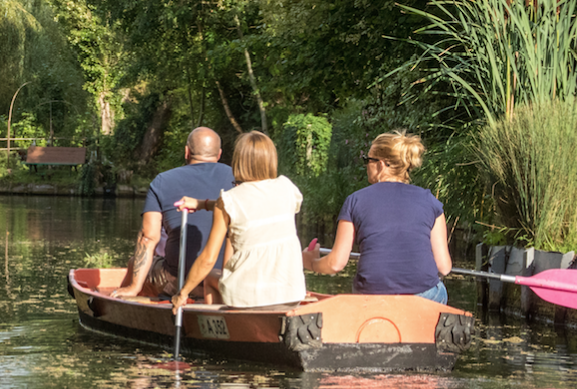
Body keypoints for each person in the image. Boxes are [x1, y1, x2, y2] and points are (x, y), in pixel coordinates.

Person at [301, 131, 451, 302]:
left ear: (380, 164)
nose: (366, 165)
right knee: (438, 290)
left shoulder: (355, 200)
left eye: (368, 160)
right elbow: (444, 267)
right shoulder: (430, 201)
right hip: (425, 296)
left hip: (372, 296)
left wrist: (311, 263)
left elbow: (336, 263)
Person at [172, 130, 307, 311]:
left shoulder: (228, 201)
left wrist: (183, 293)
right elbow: (256, 205)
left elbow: (208, 259)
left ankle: (216, 334)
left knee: (211, 277)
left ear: (238, 162)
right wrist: (203, 204)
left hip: (247, 299)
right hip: (292, 294)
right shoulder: (287, 188)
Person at [111, 127, 236, 298]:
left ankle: (125, 300)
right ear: (219, 154)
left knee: (135, 263)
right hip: (224, 279)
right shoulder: (237, 179)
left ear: (187, 152)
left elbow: (148, 237)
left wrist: (134, 285)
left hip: (179, 279)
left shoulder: (162, 181)